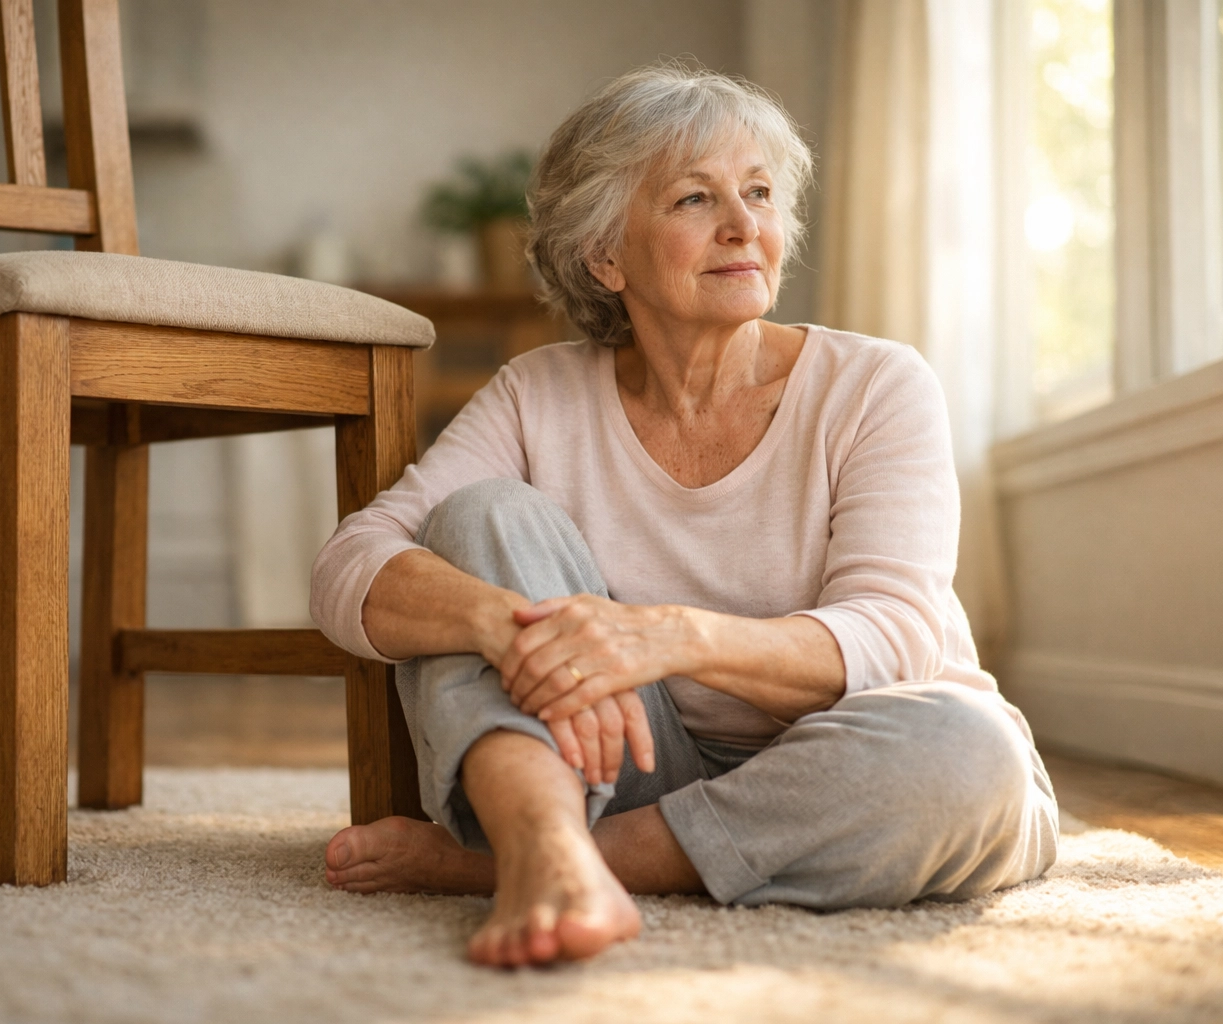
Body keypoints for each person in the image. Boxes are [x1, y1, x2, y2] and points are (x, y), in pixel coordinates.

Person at [309, 62, 1057, 968]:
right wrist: (511, 627)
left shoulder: (875, 385)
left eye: (760, 194)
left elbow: (897, 636)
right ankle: (550, 844)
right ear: (606, 255)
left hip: (847, 763)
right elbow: (350, 566)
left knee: (966, 757)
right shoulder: (538, 394)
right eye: (696, 199)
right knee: (483, 520)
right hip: (623, 763)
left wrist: (663, 637)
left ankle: (517, 862)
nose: (746, 227)